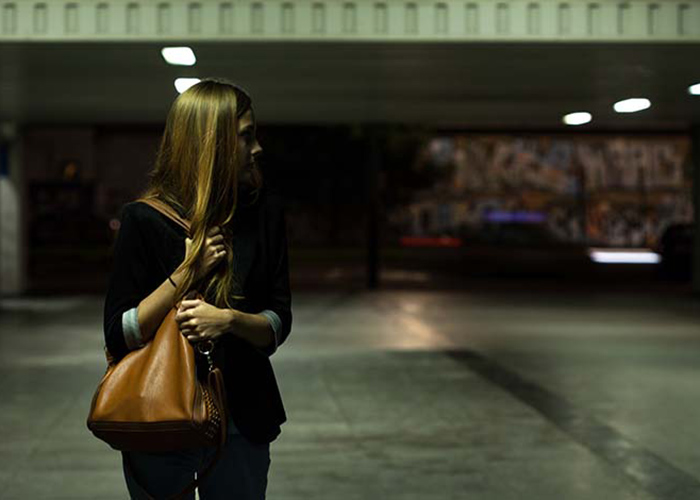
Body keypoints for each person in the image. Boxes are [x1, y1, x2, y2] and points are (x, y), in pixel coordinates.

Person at [102, 77, 292, 499]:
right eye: (246, 137)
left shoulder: (265, 214)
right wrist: (188, 273)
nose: (257, 149)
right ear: (214, 143)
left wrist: (227, 320)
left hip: (244, 418)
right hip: (158, 415)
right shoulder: (143, 220)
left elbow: (279, 322)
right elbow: (120, 333)